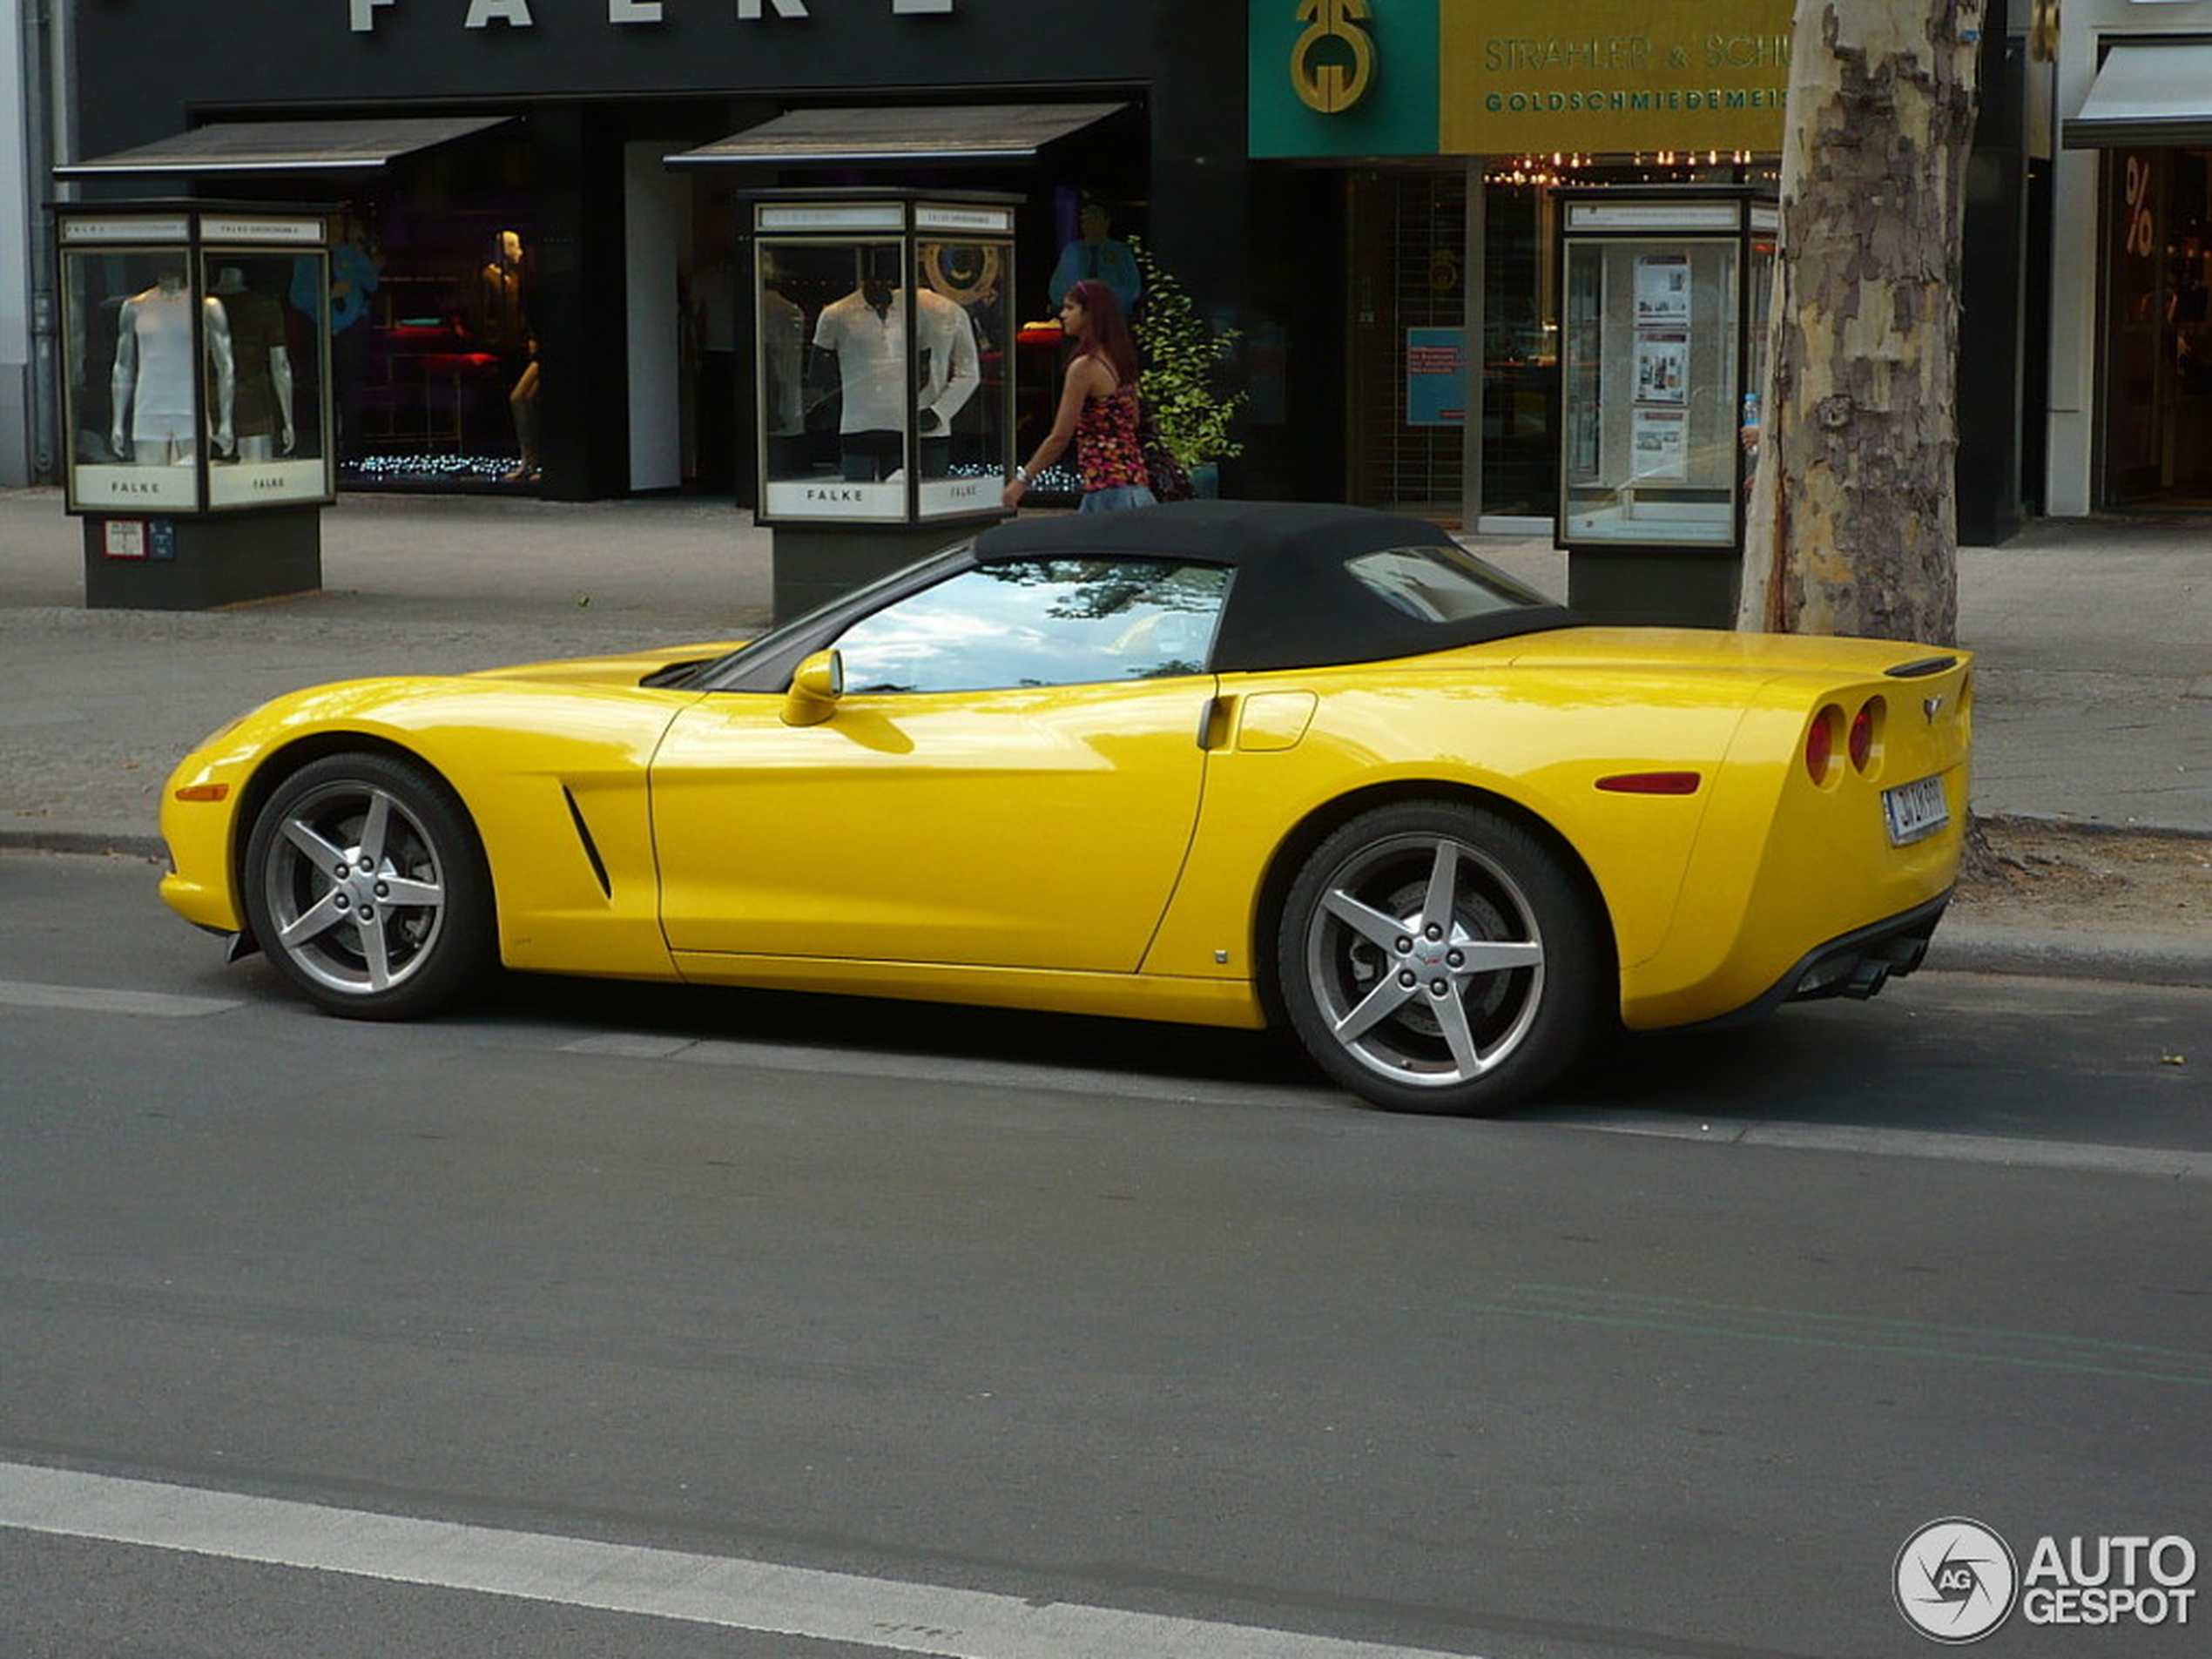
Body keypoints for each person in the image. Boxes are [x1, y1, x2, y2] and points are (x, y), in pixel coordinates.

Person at [1001, 278, 1156, 514]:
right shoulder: (1121, 360)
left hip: (1108, 491)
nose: (1062, 315)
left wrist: (1022, 480)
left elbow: (1059, 437)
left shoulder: (1084, 367)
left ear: (1090, 314)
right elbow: (1132, 421)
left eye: (1070, 308)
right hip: (1136, 488)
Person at [111, 269, 233, 464]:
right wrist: (117, 421)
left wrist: (226, 420)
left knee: (192, 487)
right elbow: (123, 366)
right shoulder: (134, 307)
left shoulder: (206, 306)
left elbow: (225, 365)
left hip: (191, 411)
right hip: (148, 412)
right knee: (153, 486)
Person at [1046, 196, 1141, 314]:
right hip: (1080, 318)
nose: (1088, 220)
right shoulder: (1072, 251)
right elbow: (1056, 291)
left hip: (1113, 317)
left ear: (1106, 221)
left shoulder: (1121, 251)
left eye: (1094, 215)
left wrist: (1101, 298)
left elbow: (1133, 289)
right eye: (1084, 217)